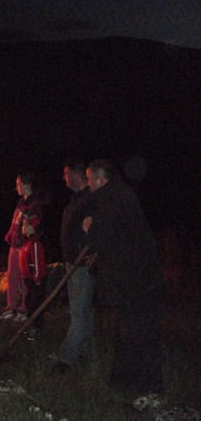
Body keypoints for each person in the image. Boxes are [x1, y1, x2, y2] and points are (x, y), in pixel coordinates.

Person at [82, 159, 163, 394]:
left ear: (99, 179)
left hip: (135, 279)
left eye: (89, 179)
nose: (88, 185)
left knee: (139, 331)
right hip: (138, 277)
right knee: (130, 329)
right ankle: (124, 381)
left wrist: (90, 228)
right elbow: (119, 238)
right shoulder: (120, 194)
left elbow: (102, 238)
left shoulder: (110, 198)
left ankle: (148, 387)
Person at [52, 160, 93, 373]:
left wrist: (85, 253)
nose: (63, 177)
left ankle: (66, 358)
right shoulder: (76, 198)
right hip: (71, 261)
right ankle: (84, 349)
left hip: (82, 263)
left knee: (77, 310)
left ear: (76, 176)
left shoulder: (90, 199)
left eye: (66, 173)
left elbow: (94, 231)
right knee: (83, 309)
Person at [1, 172, 50, 337]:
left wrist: (29, 232)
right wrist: (10, 235)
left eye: (18, 184)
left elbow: (36, 227)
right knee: (12, 276)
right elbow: (16, 222)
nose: (16, 187)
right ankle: (11, 307)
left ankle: (23, 309)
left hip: (25, 247)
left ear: (27, 185)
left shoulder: (35, 204)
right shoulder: (21, 202)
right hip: (14, 245)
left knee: (24, 278)